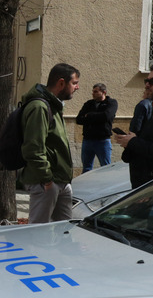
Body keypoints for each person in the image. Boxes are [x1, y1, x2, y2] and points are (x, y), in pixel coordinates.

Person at [20, 63, 80, 223]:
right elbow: (33, 148)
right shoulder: (39, 107)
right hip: (45, 183)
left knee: (65, 230)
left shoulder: (54, 106)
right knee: (38, 233)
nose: (77, 87)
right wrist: (46, 179)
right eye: (74, 83)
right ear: (61, 83)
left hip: (60, 181)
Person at [75, 83, 119, 173]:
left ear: (103, 92)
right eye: (93, 91)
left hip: (102, 141)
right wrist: (97, 118)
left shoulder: (111, 103)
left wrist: (89, 115)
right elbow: (79, 119)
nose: (93, 93)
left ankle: (106, 186)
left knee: (106, 167)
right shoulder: (88, 104)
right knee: (86, 168)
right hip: (87, 140)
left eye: (96, 91)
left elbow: (106, 116)